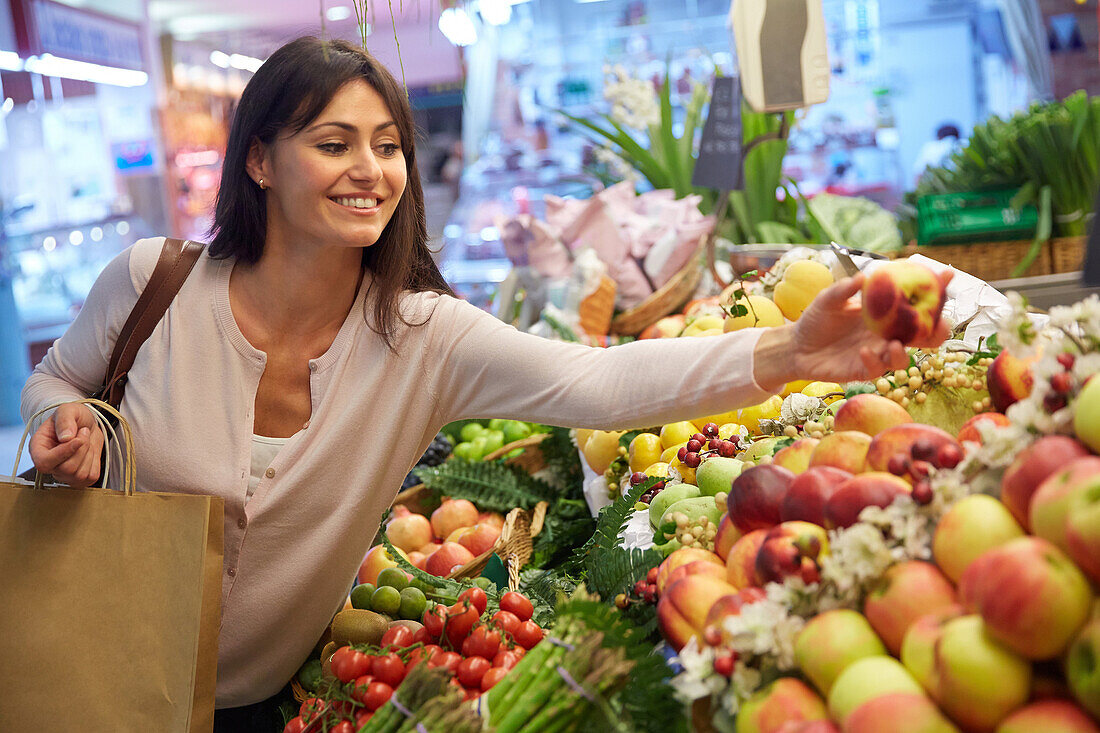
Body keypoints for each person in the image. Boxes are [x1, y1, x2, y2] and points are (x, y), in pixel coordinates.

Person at [22, 37, 951, 730]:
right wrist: (61, 418)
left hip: (259, 707)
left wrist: (791, 351)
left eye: (388, 145)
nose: (370, 170)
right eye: (334, 142)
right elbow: (56, 378)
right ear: (260, 160)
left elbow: (604, 381)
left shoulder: (422, 336)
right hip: (87, 672)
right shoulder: (158, 281)